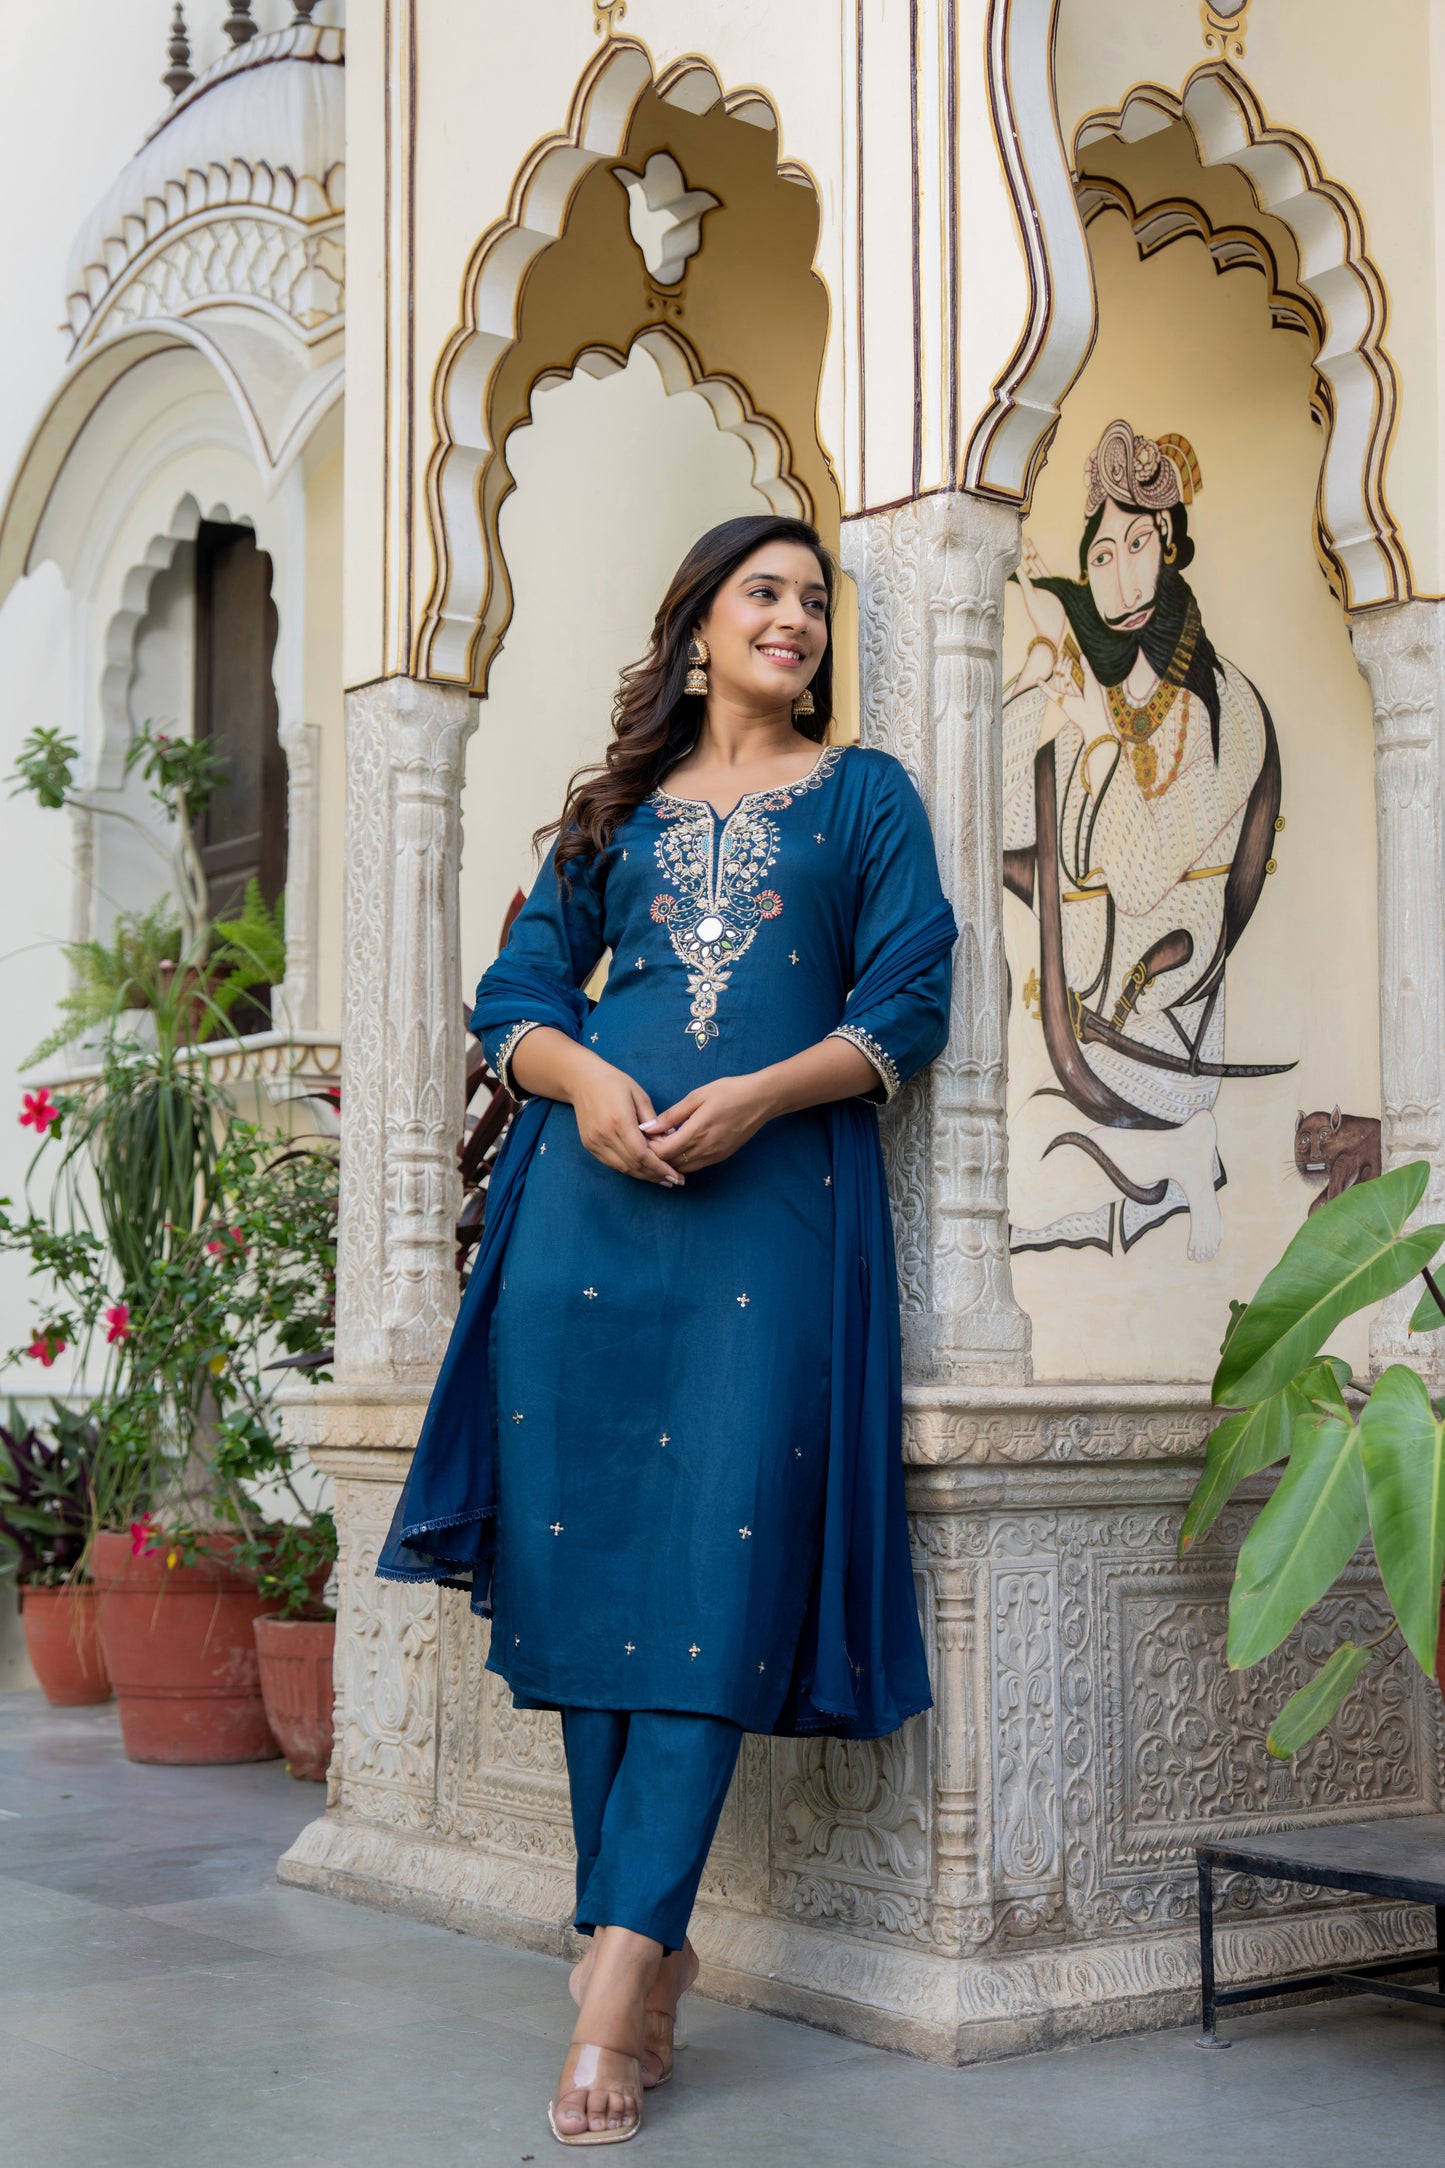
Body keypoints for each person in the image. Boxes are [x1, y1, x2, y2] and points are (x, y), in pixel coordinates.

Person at [377, 513, 956, 2145]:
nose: (796, 619)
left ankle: (619, 1966)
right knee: (586, 1565)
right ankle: (631, 1926)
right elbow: (518, 997)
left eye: (815, 602)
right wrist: (597, 1086)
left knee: (712, 1565)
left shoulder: (865, 797)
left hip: (769, 1223)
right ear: (696, 622)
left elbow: (911, 990)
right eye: (764, 593)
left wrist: (765, 1092)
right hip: (585, 1217)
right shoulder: (610, 811)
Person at [1001, 418, 1287, 1260]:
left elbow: (1145, 873)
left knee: (1043, 1168)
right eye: (1099, 557)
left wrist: (1095, 738)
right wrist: (1036, 676)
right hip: (1072, 1015)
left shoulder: (1221, 705)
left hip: (1158, 1026)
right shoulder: (1098, 687)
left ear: (1167, 546)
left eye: (1136, 545)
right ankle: (1168, 1178)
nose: (1119, 575)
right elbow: (1001, 831)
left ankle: (1180, 1162)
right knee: (1022, 1168)